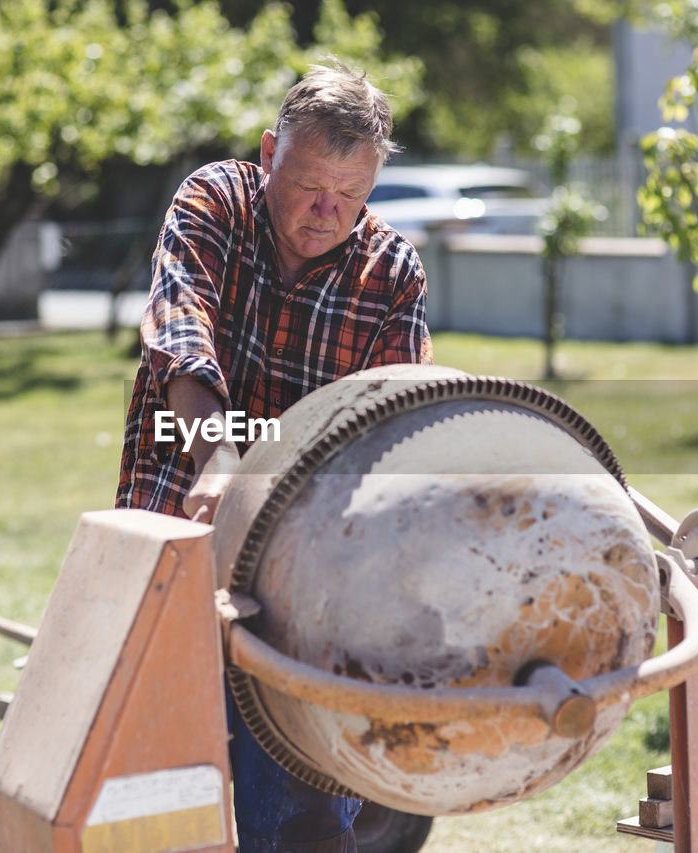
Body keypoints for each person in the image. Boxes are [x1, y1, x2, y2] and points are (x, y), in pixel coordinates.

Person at [115, 60, 432, 852]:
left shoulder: (391, 273)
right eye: (310, 188)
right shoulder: (215, 199)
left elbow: (391, 425)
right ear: (269, 153)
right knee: (156, 789)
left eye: (350, 197)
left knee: (297, 814)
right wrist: (217, 456)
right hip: (175, 535)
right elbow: (179, 321)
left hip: (306, 584)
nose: (327, 214)